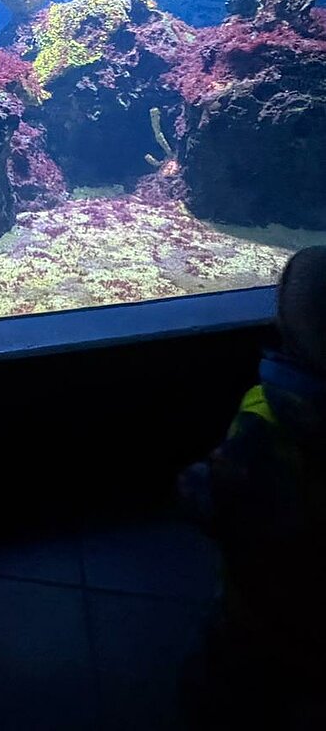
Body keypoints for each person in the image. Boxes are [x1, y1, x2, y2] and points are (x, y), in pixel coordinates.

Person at [178, 247, 326, 729]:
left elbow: (226, 494)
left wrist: (193, 487)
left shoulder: (269, 415)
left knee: (234, 687)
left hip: (261, 607)